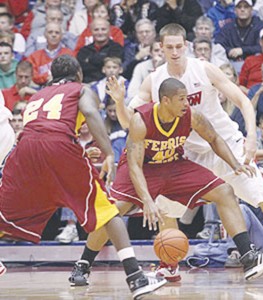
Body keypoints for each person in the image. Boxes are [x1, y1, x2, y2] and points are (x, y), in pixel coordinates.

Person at [105, 23, 263, 279]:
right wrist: (119, 102)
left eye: (179, 46)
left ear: (186, 45)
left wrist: (252, 137)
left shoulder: (203, 68)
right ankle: (169, 264)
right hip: (188, 155)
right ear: (161, 48)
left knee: (260, 194)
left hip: (225, 143)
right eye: (169, 47)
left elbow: (243, 100)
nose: (175, 52)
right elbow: (128, 122)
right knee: (167, 209)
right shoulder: (154, 80)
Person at [69, 77, 263, 286]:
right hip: (141, 168)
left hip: (173, 165)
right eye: (181, 99)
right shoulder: (141, 120)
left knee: (224, 190)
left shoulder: (191, 115)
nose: (186, 103)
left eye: (187, 98)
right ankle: (83, 264)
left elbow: (214, 138)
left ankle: (248, 257)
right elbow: (134, 165)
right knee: (112, 213)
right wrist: (148, 201)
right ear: (165, 101)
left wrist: (235, 164)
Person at [0, 54, 166, 299]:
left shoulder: (37, 95)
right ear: (78, 73)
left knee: (5, 210)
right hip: (56, 147)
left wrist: (74, 152)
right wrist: (108, 152)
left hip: (24, 150)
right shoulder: (80, 89)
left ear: (51, 76)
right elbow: (88, 112)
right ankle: (136, 277)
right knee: (108, 212)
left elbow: (43, 134)